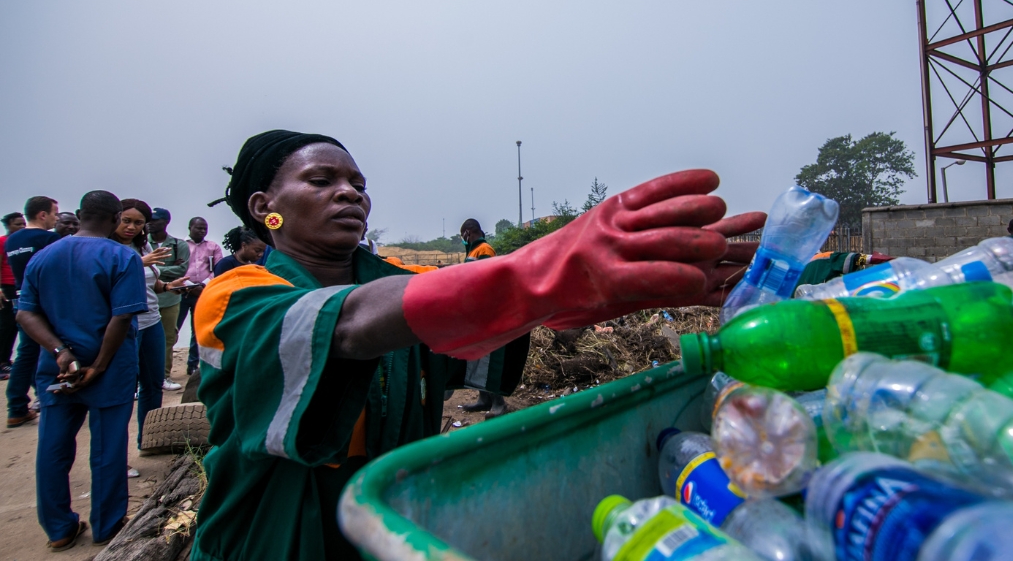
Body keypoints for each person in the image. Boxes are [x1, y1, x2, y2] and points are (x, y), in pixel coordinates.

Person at [190, 130, 762, 561]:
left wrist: (606, 291)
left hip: (380, 521)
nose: (350, 194)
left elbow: (476, 313)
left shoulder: (392, 275)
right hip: (272, 530)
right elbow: (348, 325)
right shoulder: (235, 293)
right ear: (266, 206)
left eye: (359, 185)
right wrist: (540, 267)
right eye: (322, 181)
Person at [16, 191, 147, 550]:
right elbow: (121, 315)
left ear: (80, 214)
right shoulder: (122, 256)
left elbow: (25, 313)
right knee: (107, 449)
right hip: (109, 367)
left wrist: (60, 351)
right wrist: (98, 366)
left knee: (54, 448)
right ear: (117, 218)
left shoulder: (44, 257)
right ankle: (107, 525)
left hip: (57, 370)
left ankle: (59, 529)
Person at [111, 199, 188, 456]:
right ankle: (116, 455)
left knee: (153, 383)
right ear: (115, 218)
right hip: (123, 326)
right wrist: (139, 262)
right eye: (127, 221)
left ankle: (149, 439)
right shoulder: (107, 248)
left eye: (139, 222)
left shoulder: (142, 246)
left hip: (151, 320)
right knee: (122, 390)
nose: (132, 227)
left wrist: (169, 285)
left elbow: (150, 284)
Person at [5, 196, 61, 427]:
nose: (56, 219)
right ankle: (51, 396)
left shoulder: (12, 240)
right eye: (55, 214)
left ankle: (16, 405)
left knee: (26, 354)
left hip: (21, 301)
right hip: (46, 303)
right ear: (42, 214)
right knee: (53, 350)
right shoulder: (49, 238)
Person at [456, 218, 507, 417]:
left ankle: (499, 403)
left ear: (468, 232)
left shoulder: (484, 250)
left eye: (463, 235)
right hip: (475, 312)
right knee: (477, 356)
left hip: (486, 312)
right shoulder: (473, 251)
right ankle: (484, 399)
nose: (462, 239)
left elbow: (485, 281)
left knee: (487, 359)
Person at [147, 208, 189, 391]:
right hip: (147, 298)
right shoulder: (142, 244)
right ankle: (141, 380)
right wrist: (163, 268)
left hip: (170, 299)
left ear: (165, 222)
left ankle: (163, 376)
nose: (150, 223)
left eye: (154, 220)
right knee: (142, 340)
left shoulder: (179, 245)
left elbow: (181, 271)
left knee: (168, 338)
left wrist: (152, 267)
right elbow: (137, 265)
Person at [180, 217, 222, 376]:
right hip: (183, 291)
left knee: (198, 330)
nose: (202, 231)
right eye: (198, 228)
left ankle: (193, 365)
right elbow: (179, 269)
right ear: (190, 227)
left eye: (205, 228)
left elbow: (217, 268)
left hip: (203, 292)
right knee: (173, 330)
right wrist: (190, 286)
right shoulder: (181, 246)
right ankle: (164, 370)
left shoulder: (213, 247)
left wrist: (202, 285)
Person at [1, 211, 26, 379]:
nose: (22, 227)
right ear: (8, 226)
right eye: (18, 224)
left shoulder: (22, 242)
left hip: (19, 287)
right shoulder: (3, 241)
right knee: (5, 325)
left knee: (16, 327)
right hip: (6, 288)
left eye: (23, 224)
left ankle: (6, 361)